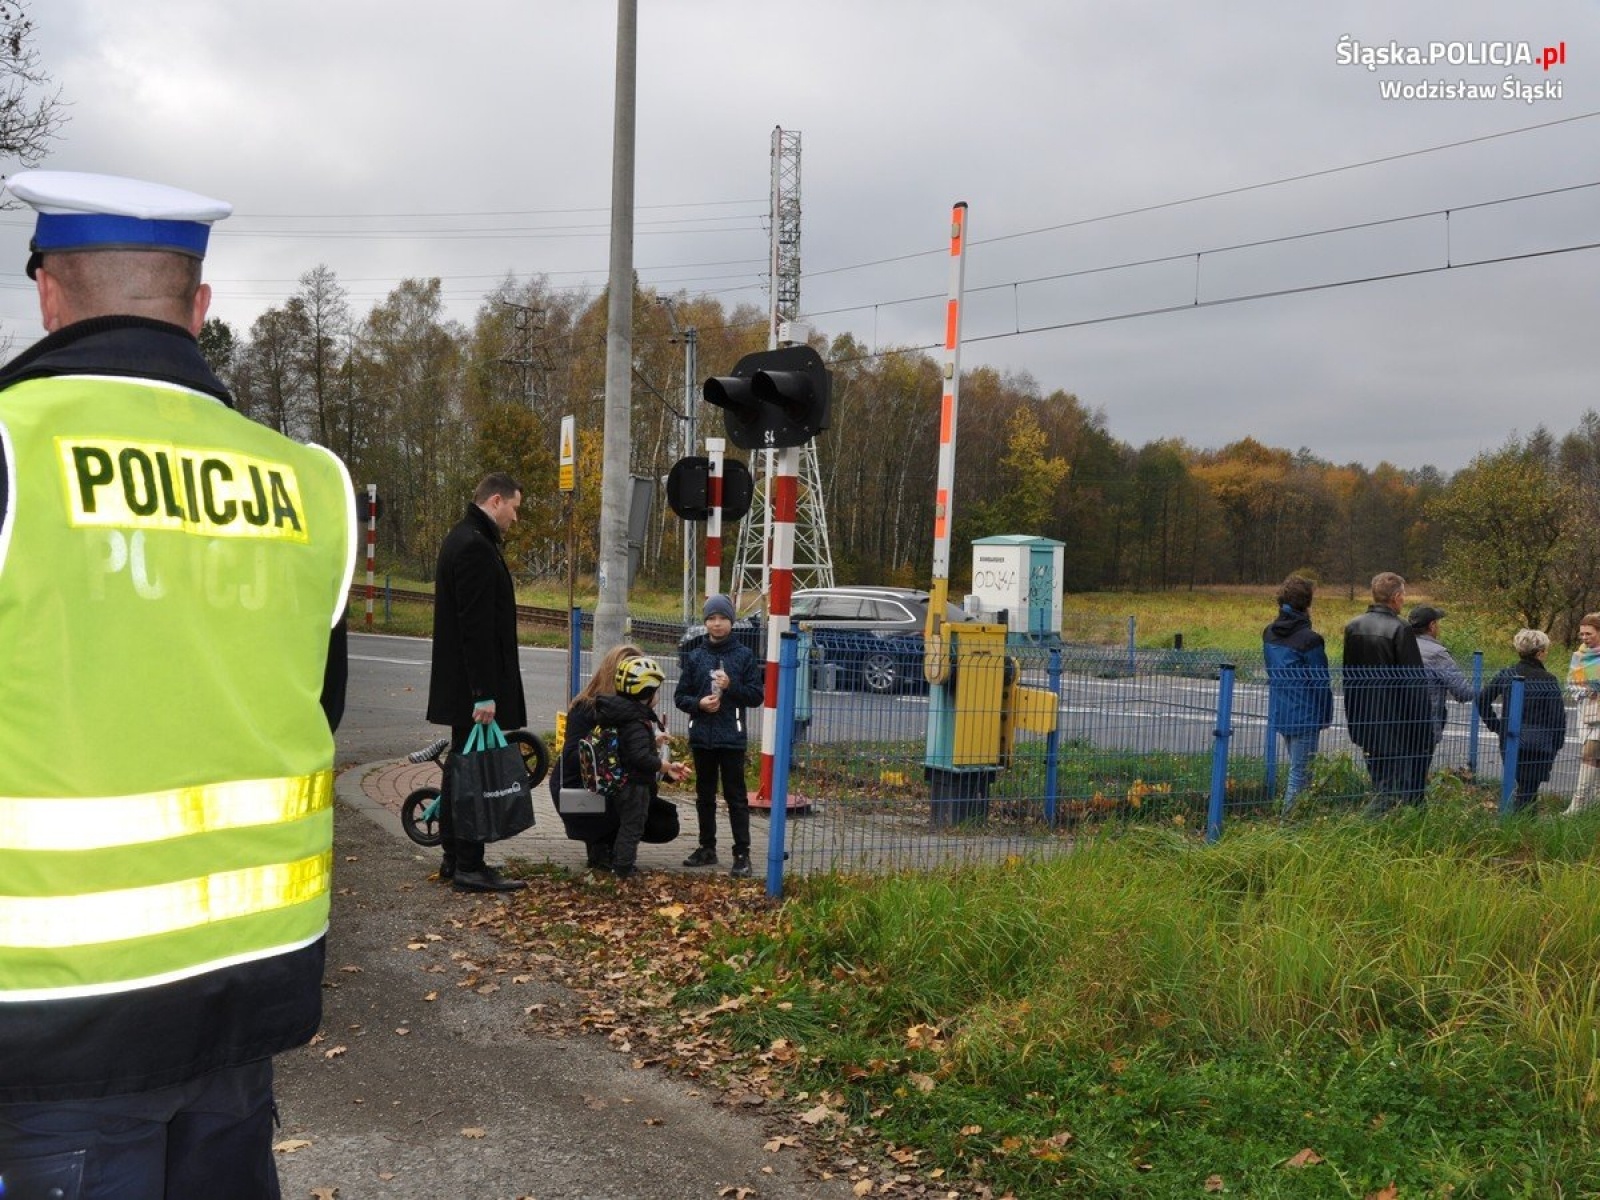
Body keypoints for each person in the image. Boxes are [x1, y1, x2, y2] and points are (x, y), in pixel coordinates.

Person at [0, 172, 356, 1198]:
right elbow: (315, 703)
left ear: (48, 295)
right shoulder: (305, 482)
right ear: (198, 307)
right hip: (245, 990)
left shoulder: (16, 450)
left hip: (51, 1013)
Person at [426, 472, 529, 893]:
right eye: (515, 509)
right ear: (496, 501)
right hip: (473, 691)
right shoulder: (474, 546)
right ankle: (470, 863)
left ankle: (455, 858)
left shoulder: (466, 538)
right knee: (472, 774)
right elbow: (476, 628)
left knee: (459, 771)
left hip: (464, 687)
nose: (516, 519)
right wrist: (483, 693)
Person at [675, 594, 764, 875]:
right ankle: (707, 848)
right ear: (705, 623)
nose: (717, 624)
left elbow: (755, 696)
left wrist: (731, 686)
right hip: (702, 736)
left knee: (736, 797)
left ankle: (742, 854)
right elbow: (681, 696)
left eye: (722, 618)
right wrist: (699, 704)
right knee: (704, 796)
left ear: (731, 622)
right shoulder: (696, 656)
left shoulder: (744, 656)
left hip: (732, 738)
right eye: (711, 619)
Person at [594, 656, 691, 880]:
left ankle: (618, 864)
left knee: (627, 825)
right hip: (634, 785)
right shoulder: (636, 722)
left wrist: (653, 742)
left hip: (622, 781)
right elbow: (639, 757)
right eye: (655, 692)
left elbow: (627, 746)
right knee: (633, 827)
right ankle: (624, 869)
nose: (657, 697)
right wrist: (665, 766)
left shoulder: (623, 715)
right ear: (646, 695)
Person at [1342, 572, 1431, 814]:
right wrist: (1424, 728)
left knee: (1379, 779)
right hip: (1396, 723)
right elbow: (1414, 683)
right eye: (1403, 596)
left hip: (1364, 717)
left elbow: (1349, 678)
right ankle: (1370, 831)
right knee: (1392, 789)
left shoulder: (1353, 627)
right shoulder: (1401, 629)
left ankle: (1380, 831)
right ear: (1397, 597)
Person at [551, 642, 643, 870]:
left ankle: (613, 842)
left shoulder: (636, 709)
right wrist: (610, 748)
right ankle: (600, 842)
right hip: (582, 783)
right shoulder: (586, 708)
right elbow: (573, 755)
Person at [1261, 575, 1333, 814]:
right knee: (1299, 774)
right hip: (1305, 713)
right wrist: (1325, 715)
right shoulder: (1310, 639)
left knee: (1298, 770)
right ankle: (1289, 826)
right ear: (1307, 603)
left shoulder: (1269, 633)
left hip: (1281, 710)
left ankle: (1300, 817)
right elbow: (1321, 681)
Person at [1478, 628, 1569, 814]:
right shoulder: (1548, 680)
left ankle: (1519, 824)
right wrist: (1556, 744)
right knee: (1529, 790)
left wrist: (1497, 726)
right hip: (1539, 744)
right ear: (1540, 653)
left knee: (1521, 786)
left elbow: (1482, 700)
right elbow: (1557, 717)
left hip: (1510, 740)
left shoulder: (1506, 674)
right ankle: (1522, 825)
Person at [1408, 604, 1476, 772]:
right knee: (1417, 774)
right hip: (1426, 724)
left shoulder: (1398, 646)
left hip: (1396, 720)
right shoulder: (1437, 653)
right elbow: (1463, 692)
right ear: (1432, 626)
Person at [1563, 614, 1600, 815]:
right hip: (1586, 709)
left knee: (1589, 754)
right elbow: (1571, 682)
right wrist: (1586, 690)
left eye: (1589, 633)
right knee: (1596, 757)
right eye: (1582, 634)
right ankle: (1594, 801)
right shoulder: (1579, 656)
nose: (1585, 637)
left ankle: (1577, 805)